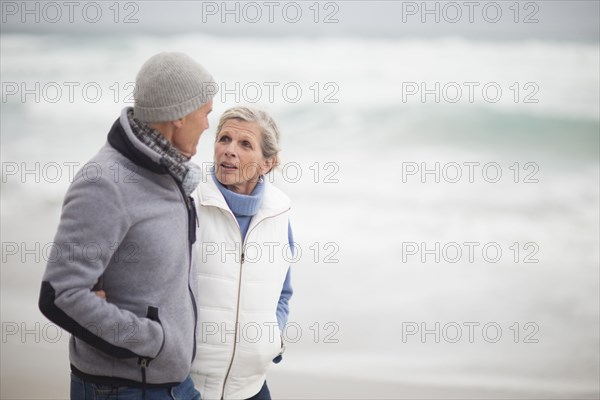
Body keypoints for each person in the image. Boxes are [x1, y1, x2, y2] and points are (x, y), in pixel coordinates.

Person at [38, 52, 217, 400]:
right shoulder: (105, 182)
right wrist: (152, 342)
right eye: (205, 113)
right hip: (123, 390)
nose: (209, 125)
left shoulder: (171, 173)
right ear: (179, 116)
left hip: (174, 383)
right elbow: (60, 294)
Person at [191, 107, 294, 400]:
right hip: (188, 387)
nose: (229, 151)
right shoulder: (188, 202)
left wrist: (271, 340)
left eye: (245, 144)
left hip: (252, 388)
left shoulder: (280, 212)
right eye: (224, 139)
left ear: (267, 164)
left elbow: (283, 293)